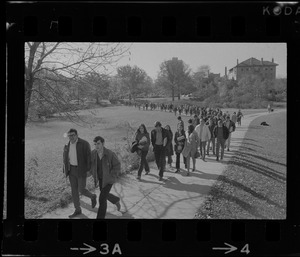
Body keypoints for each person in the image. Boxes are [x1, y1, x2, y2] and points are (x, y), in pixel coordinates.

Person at [63, 128, 97, 218]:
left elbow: (89, 158)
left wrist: (89, 170)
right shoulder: (67, 145)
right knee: (74, 191)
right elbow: (65, 159)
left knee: (81, 190)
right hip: (71, 171)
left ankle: (93, 196)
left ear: (77, 135)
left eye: (73, 135)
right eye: (69, 135)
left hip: (81, 170)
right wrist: (65, 170)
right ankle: (77, 210)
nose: (71, 137)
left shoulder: (84, 144)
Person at [90, 136, 121, 219]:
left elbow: (117, 165)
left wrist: (112, 176)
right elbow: (90, 165)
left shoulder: (110, 154)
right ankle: (115, 200)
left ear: (103, 143)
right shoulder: (93, 153)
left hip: (108, 180)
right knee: (104, 195)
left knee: (102, 199)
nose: (96, 146)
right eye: (95, 144)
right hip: (100, 179)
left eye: (98, 143)